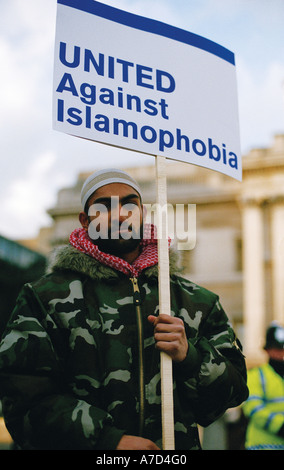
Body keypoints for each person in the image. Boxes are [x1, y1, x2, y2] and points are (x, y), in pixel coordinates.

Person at [0, 168, 248, 450]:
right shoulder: (43, 298)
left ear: (143, 214)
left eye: (130, 204)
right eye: (104, 206)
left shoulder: (195, 301)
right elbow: (23, 399)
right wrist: (108, 441)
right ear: (85, 220)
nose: (119, 215)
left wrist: (189, 356)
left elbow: (232, 394)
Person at [242, 322, 284, 450]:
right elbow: (253, 409)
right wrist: (280, 426)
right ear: (267, 350)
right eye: (276, 349)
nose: (280, 353)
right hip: (261, 445)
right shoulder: (255, 375)